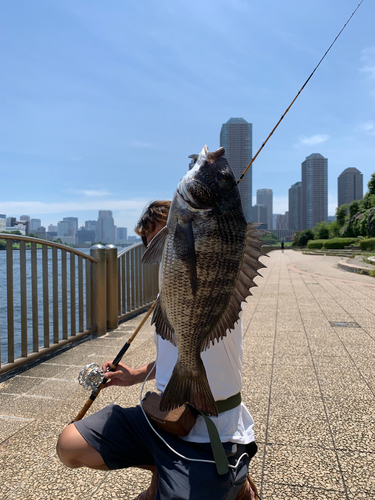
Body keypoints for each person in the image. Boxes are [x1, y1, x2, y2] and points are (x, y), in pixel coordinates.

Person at [56, 200, 258, 500]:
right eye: (155, 247)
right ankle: (160, 468)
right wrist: (136, 374)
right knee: (69, 445)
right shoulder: (168, 300)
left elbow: (225, 236)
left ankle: (237, 483)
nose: (166, 255)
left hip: (213, 429)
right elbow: (174, 358)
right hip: (162, 416)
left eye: (172, 241)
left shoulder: (220, 284)